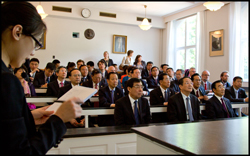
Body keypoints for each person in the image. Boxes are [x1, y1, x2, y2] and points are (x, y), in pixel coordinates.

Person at [1, 2, 82, 154]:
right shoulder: (7, 81)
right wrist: (58, 119)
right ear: (18, 32)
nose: (33, 53)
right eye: (36, 43)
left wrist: (29, 117)